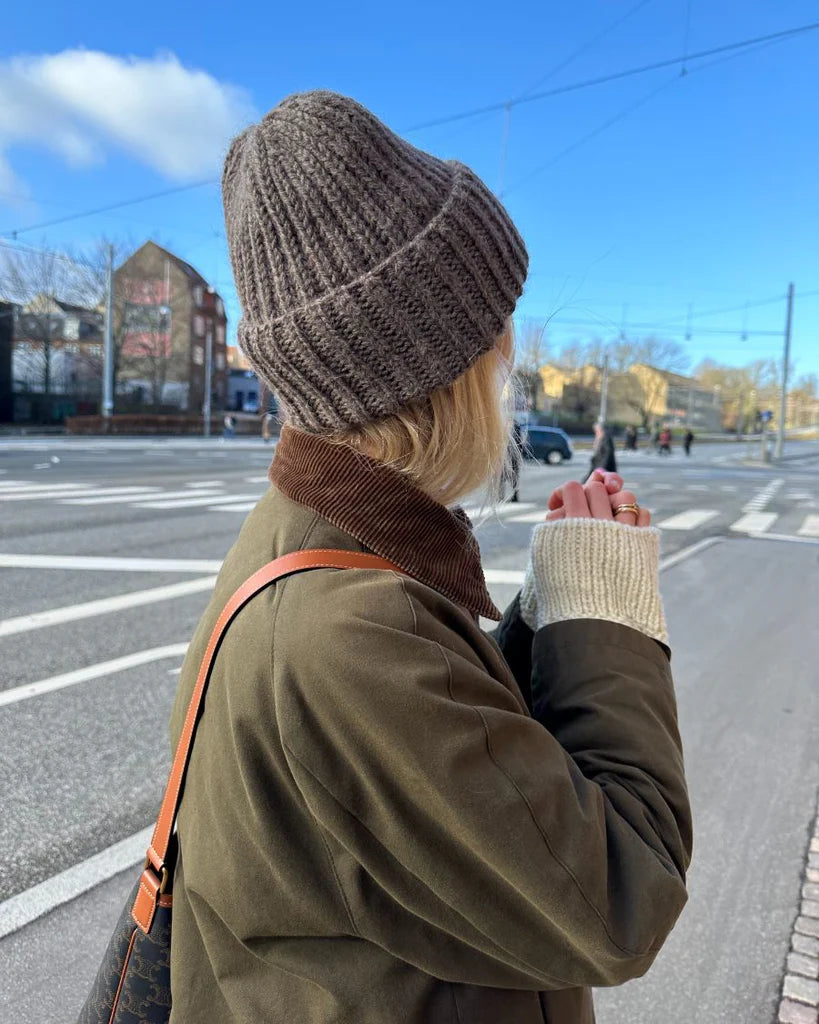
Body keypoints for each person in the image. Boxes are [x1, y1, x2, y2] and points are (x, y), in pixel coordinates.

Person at [167, 91, 691, 1024]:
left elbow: (455, 775)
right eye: (498, 349)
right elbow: (621, 900)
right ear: (442, 376)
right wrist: (605, 621)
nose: (509, 371)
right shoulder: (352, 634)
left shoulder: (315, 545)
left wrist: (548, 612)